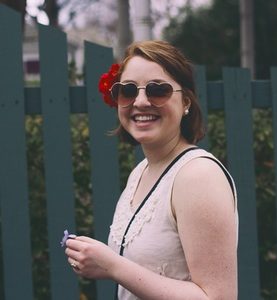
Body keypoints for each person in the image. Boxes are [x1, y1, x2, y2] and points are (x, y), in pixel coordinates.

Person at [65, 40, 238, 300]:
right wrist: (100, 262)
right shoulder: (142, 171)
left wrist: (113, 266)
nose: (141, 101)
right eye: (128, 90)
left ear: (186, 102)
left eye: (158, 90)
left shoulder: (198, 176)